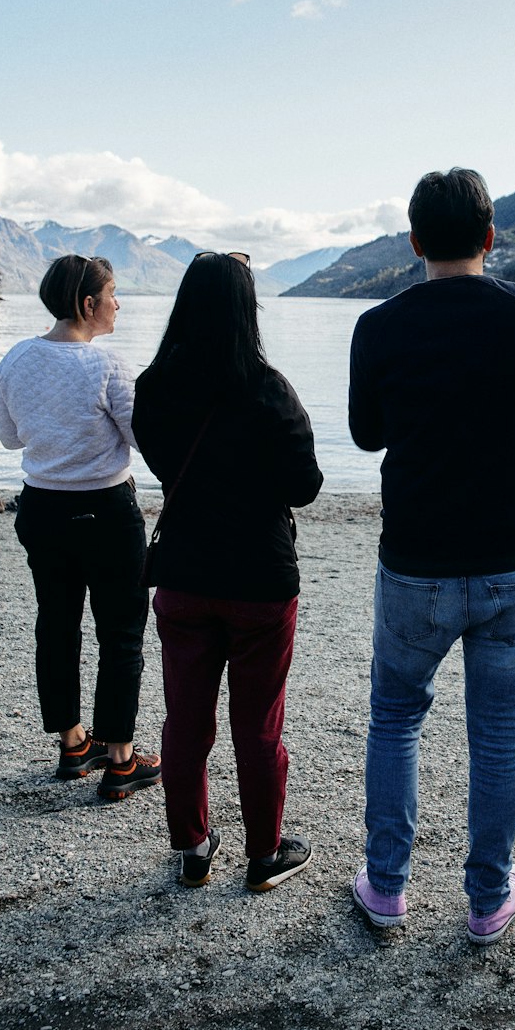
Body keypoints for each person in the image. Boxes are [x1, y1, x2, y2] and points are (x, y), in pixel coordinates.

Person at [348, 168, 515, 943]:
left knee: (395, 717)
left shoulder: (379, 326)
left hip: (415, 559)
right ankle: (488, 899)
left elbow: (365, 434)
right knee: (497, 732)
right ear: (491, 237)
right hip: (513, 559)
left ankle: (385, 887)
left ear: (414, 243)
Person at [132, 251, 323, 891]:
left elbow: (160, 461)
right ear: (250, 311)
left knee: (185, 720)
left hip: (183, 575)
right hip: (261, 582)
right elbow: (304, 486)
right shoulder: (269, 390)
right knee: (258, 724)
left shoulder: (154, 386)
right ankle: (264, 855)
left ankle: (191, 847)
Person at [0, 254, 160, 799]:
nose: (119, 304)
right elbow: (144, 440)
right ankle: (120, 761)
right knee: (120, 632)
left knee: (57, 624)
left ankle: (72, 745)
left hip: (41, 510)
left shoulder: (16, 358)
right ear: (88, 305)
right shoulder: (108, 365)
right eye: (113, 295)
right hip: (107, 512)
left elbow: (10, 438)